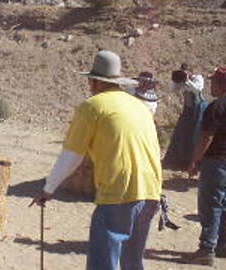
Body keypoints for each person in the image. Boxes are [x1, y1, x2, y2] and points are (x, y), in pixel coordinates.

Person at [30, 50, 162, 270]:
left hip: (119, 191)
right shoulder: (139, 106)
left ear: (94, 81)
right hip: (152, 191)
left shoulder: (92, 106)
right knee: (132, 261)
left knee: (103, 262)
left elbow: (72, 156)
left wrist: (48, 188)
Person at [185, 67, 226, 266]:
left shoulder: (216, 107)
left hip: (216, 162)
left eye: (214, 81)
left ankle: (207, 248)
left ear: (221, 84)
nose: (211, 85)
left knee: (211, 205)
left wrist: (195, 160)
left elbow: (206, 137)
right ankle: (222, 245)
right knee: (224, 205)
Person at [163, 63, 208, 171]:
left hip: (199, 108)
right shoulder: (182, 80)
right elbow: (172, 90)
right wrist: (177, 81)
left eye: (185, 70)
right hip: (188, 109)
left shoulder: (197, 78)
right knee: (182, 132)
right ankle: (182, 160)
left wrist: (187, 80)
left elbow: (197, 89)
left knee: (196, 134)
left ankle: (197, 161)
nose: (184, 72)